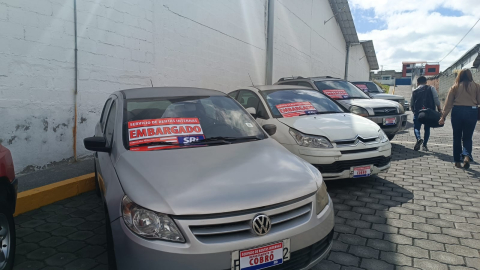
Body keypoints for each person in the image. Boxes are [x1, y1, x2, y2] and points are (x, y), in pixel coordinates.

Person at [439, 69, 480, 169]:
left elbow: (448, 104)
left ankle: (457, 161)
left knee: (456, 137)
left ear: (459, 76)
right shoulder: (477, 86)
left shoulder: (455, 87)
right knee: (468, 137)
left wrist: (443, 116)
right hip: (472, 111)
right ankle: (466, 156)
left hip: (457, 111)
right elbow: (479, 101)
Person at [411, 76, 442, 151]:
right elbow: (436, 99)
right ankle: (424, 145)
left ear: (417, 83)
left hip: (418, 112)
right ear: (426, 82)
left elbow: (412, 103)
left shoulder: (414, 91)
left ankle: (418, 139)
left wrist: (413, 111)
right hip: (429, 112)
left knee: (416, 128)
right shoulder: (431, 88)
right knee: (427, 128)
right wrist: (439, 109)